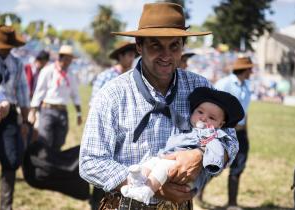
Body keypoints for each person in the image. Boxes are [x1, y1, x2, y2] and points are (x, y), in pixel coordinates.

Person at [79, 3, 239, 210]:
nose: (166, 55)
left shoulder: (200, 88)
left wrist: (200, 156)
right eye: (156, 46)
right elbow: (91, 162)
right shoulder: (113, 94)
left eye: (174, 46)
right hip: (126, 205)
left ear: (183, 46)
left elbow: (231, 140)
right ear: (139, 45)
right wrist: (151, 185)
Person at [120, 87, 245, 205]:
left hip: (185, 174)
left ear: (221, 124)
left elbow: (218, 153)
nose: (204, 118)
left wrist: (204, 157)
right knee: (152, 162)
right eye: (200, 112)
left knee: (163, 166)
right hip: (167, 158)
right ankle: (136, 182)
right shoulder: (189, 129)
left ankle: (146, 190)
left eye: (211, 118)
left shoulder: (213, 136)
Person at [0, 25, 30, 210]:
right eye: (2, 46)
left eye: (9, 46)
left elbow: (23, 93)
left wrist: (25, 121)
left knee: (11, 159)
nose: (5, 49)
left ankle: (6, 207)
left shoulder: (17, 64)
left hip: (8, 114)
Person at [89, 41, 138, 210]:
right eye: (129, 55)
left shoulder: (134, 77)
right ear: (121, 56)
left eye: (133, 55)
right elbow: (94, 105)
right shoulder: (105, 77)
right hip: (107, 131)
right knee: (102, 171)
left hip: (128, 135)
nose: (132, 58)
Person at [213, 56, 253, 210]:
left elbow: (245, 112)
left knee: (238, 167)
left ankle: (232, 204)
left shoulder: (247, 86)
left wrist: (246, 132)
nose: (252, 71)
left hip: (241, 133)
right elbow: (214, 106)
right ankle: (198, 193)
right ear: (245, 69)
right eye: (250, 68)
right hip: (224, 131)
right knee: (214, 165)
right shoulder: (225, 84)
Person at [30, 45, 82, 151]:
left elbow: (75, 95)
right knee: (45, 140)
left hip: (62, 112)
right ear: (61, 57)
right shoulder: (48, 71)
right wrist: (33, 112)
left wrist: (79, 113)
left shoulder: (71, 74)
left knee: (59, 142)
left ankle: (53, 165)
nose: (69, 62)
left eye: (71, 59)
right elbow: (39, 92)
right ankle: (42, 164)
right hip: (47, 110)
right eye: (67, 59)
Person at [25, 50, 50, 143]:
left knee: (36, 128)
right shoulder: (27, 68)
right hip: (25, 102)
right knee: (24, 127)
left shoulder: (44, 72)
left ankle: (32, 148)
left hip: (37, 104)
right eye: (42, 61)